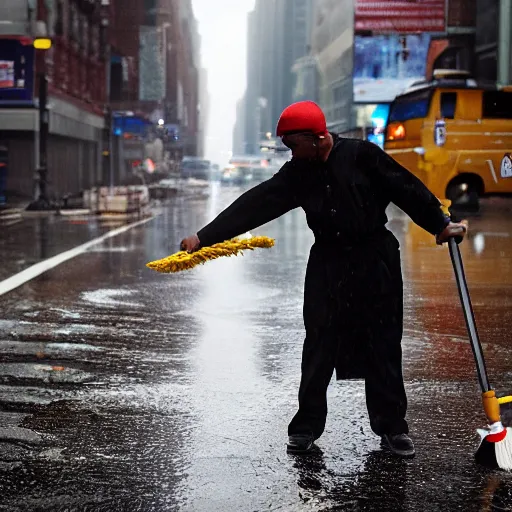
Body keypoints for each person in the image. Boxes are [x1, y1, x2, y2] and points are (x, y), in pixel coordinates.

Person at [181, 101, 467, 457]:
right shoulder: (299, 172)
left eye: (293, 144)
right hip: (328, 263)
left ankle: (392, 428)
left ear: (318, 138)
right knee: (318, 344)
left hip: (374, 259)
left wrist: (440, 225)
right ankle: (305, 428)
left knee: (383, 343)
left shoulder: (363, 156)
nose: (291, 152)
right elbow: (255, 204)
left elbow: (406, 188)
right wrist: (204, 237)